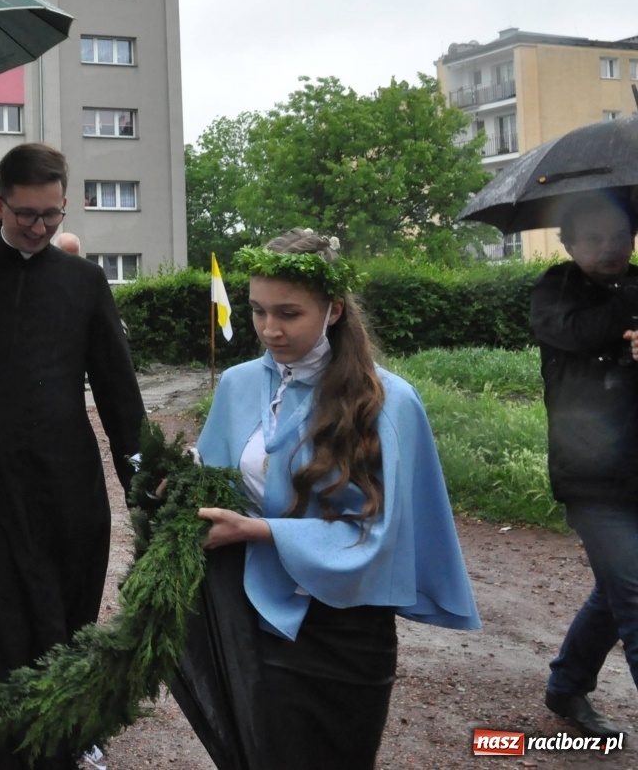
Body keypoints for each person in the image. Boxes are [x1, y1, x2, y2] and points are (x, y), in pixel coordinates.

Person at [190, 228, 480, 768]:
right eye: (256, 311)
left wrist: (260, 530)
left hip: (344, 631)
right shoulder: (235, 384)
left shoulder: (389, 403)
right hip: (249, 617)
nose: (269, 329)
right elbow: (214, 482)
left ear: (335, 311)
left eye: (289, 313)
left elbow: (381, 534)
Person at [0, 143, 143, 770]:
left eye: (52, 214)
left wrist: (141, 477)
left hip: (65, 479)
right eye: (26, 215)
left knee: (66, 606)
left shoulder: (84, 280)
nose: (40, 227)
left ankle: (67, 732)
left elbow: (118, 388)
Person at [534, 192, 638, 738]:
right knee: (636, 594)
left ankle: (568, 686)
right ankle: (569, 687)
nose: (608, 249)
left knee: (616, 590)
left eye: (619, 236)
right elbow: (574, 334)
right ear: (570, 245)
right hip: (591, 478)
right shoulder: (555, 291)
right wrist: (629, 301)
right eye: (593, 239)